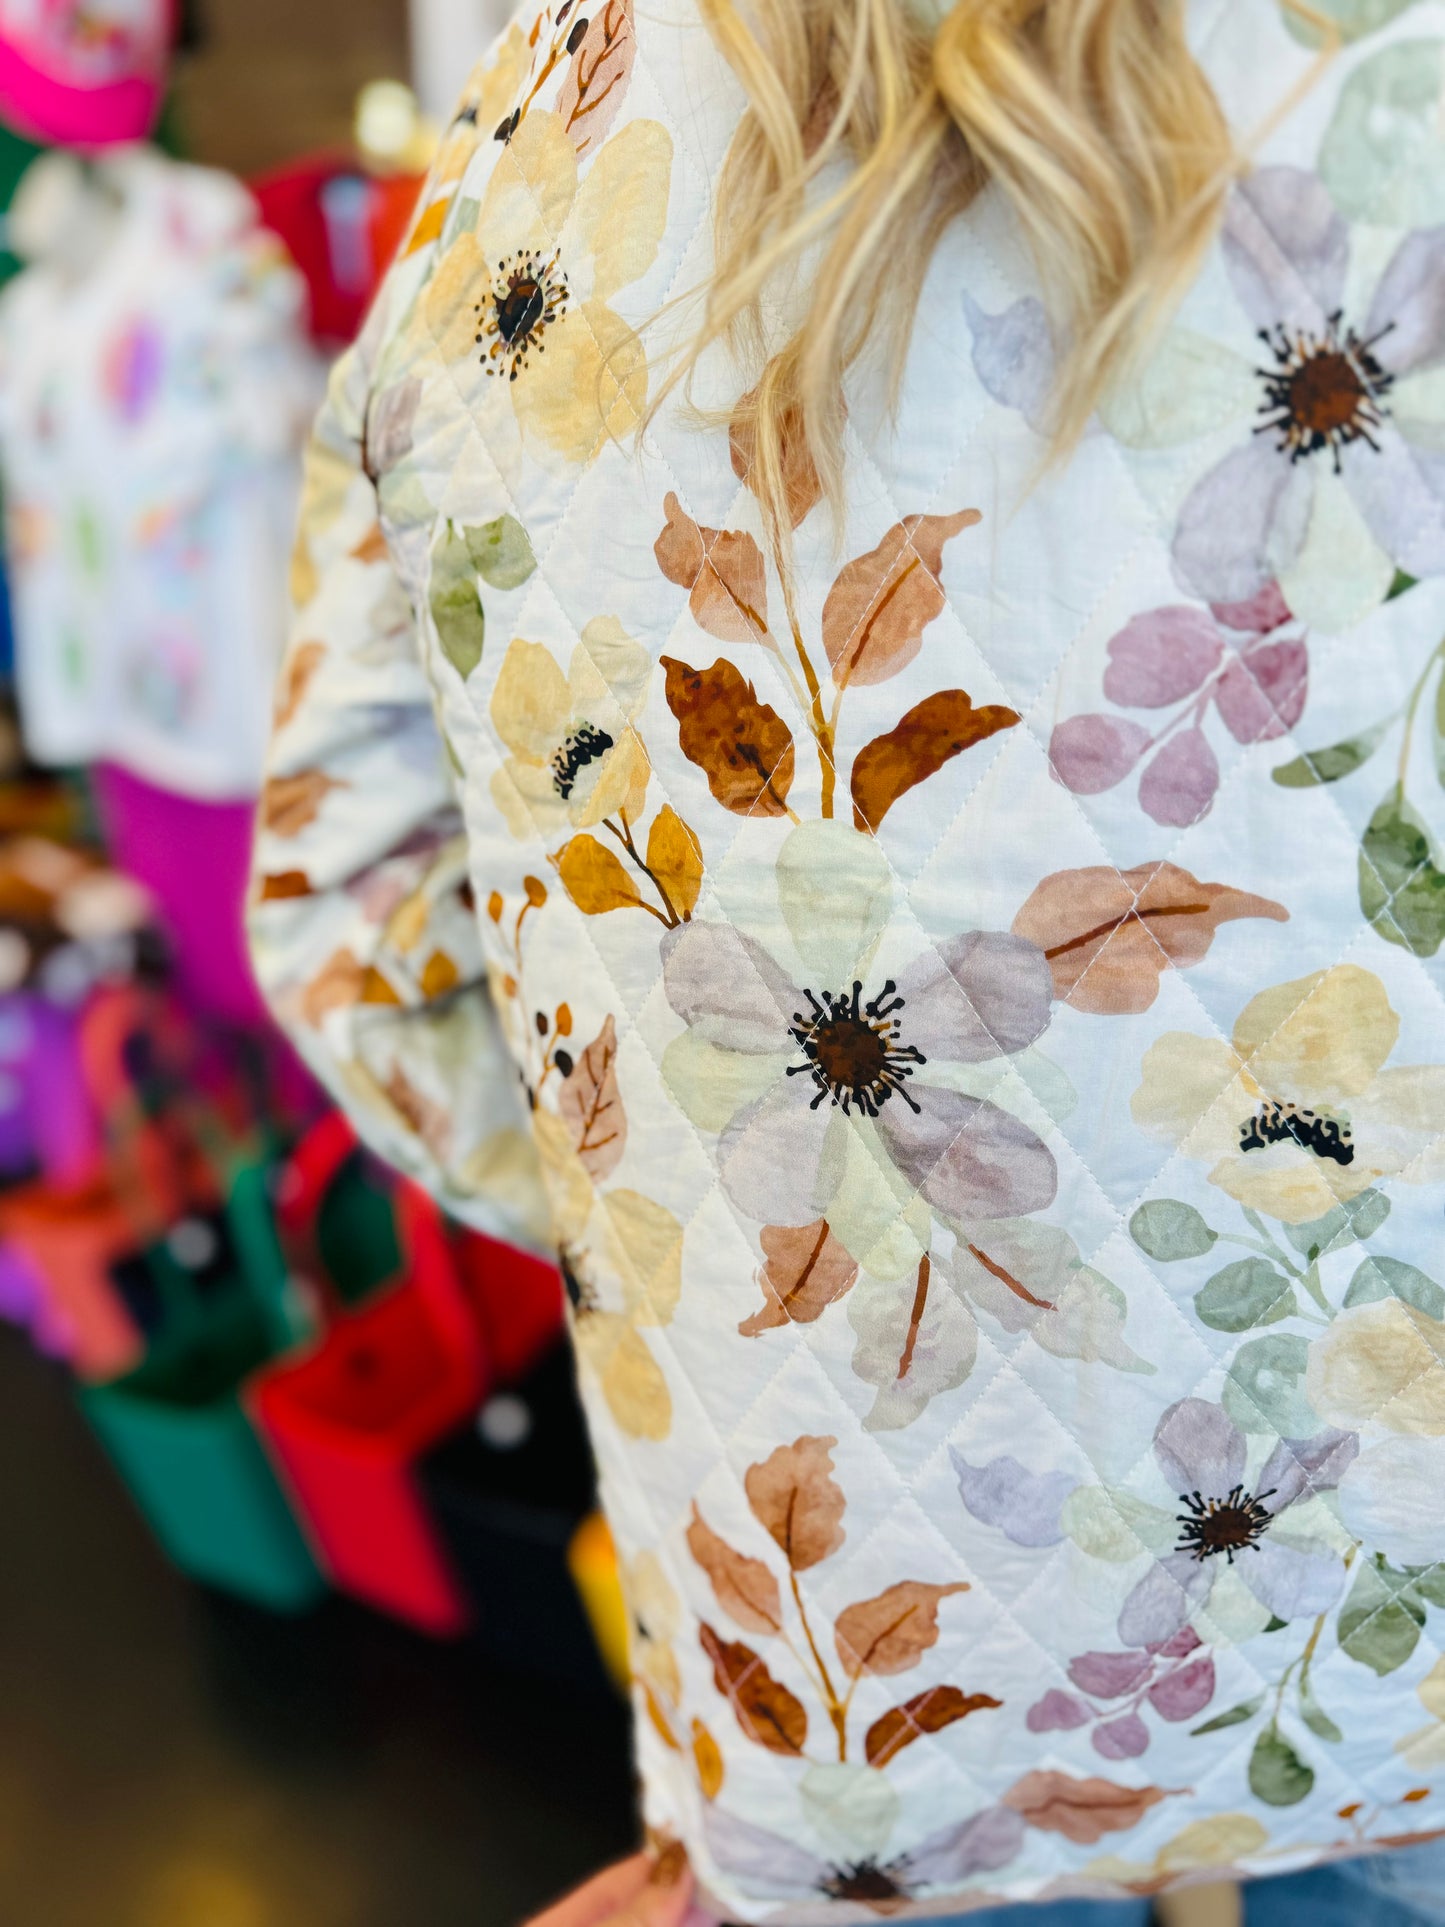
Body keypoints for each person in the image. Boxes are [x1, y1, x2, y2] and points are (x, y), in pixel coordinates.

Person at [248, 0, 1445, 1920]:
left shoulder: (531, 156)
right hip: (1406, 1656)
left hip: (853, 1744)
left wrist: (676, 1216)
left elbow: (350, 917)